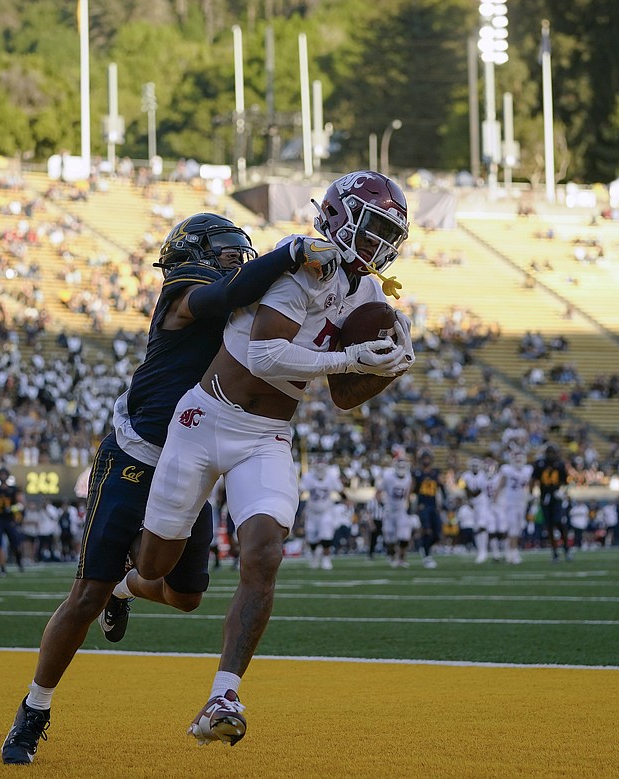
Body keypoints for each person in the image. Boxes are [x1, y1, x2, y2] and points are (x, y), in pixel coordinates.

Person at [2, 212, 336, 765]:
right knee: (85, 594)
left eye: (240, 249)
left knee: (185, 596)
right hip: (139, 455)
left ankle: (125, 590)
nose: (236, 256)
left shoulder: (252, 297)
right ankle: (34, 709)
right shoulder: (185, 288)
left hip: (197, 452)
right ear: (192, 252)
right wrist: (292, 251)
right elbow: (221, 296)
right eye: (225, 248)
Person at [126, 171, 413, 747]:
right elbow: (263, 355)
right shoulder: (304, 267)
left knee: (264, 553)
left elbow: (343, 397)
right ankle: (122, 586)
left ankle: (223, 694)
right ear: (337, 216)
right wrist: (351, 355)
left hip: (267, 434)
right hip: (204, 419)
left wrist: (384, 369)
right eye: (374, 224)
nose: (380, 242)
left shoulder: (370, 296)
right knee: (156, 568)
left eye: (390, 231)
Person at [300, 454, 345, 570]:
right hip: (312, 512)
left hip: (326, 511)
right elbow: (300, 491)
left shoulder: (331, 477)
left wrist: (347, 500)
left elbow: (341, 490)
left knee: (326, 536)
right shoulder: (308, 477)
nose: (320, 470)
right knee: (311, 537)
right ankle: (315, 555)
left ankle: (326, 558)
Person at [530, 444, 572, 562]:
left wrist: (562, 491)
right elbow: (533, 479)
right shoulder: (540, 464)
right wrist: (531, 493)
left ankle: (566, 549)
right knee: (548, 526)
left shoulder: (560, 464)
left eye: (553, 453)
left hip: (556, 498)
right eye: (549, 453)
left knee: (558, 522)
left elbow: (566, 481)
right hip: (544, 498)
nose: (551, 455)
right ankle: (555, 552)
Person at [410, 449, 446, 569]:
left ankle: (425, 548)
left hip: (434, 505)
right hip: (423, 505)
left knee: (437, 533)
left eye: (427, 458)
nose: (426, 460)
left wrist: (444, 502)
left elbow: (442, 486)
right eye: (424, 458)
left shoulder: (436, 473)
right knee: (427, 530)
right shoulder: (417, 473)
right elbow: (412, 489)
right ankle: (426, 556)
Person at [497, 449, 532, 565]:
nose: (518, 460)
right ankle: (514, 552)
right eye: (516, 458)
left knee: (518, 528)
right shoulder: (507, 469)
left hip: (521, 503)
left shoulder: (528, 470)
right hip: (509, 503)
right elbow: (501, 484)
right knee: (512, 528)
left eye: (520, 458)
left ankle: (510, 551)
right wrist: (495, 498)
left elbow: (530, 485)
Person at [0, 467, 25, 576]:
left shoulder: (13, 490)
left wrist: (12, 509)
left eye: (4, 474)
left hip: (10, 520)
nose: (3, 476)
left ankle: (19, 561)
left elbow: (21, 505)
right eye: (1, 474)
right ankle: (2, 567)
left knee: (16, 545)